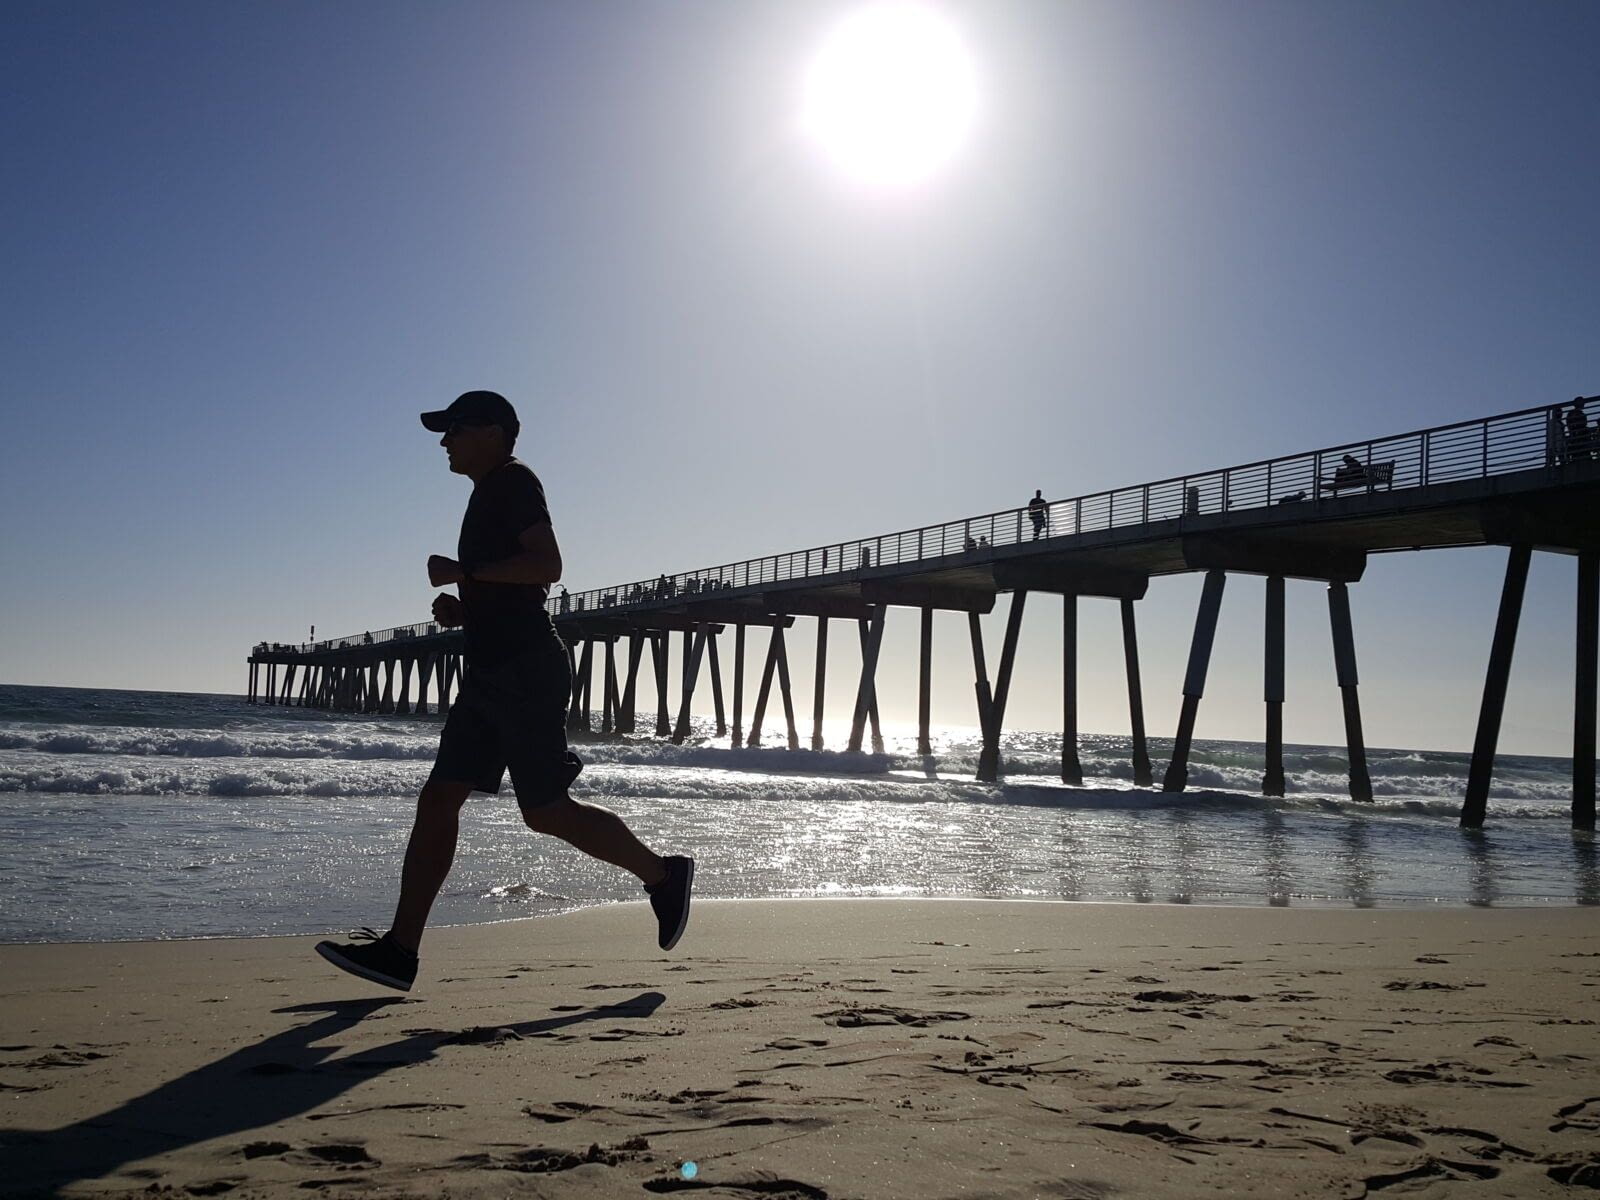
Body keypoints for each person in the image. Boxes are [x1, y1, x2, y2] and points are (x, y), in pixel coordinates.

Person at [316, 391, 694, 992]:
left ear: (493, 431)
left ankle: (663, 875)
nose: (445, 441)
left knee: (545, 812)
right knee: (439, 799)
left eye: (455, 429)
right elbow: (513, 592)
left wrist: (465, 575)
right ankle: (400, 952)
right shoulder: (485, 493)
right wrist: (464, 611)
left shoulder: (513, 482)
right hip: (492, 667)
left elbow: (547, 566)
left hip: (524, 670)